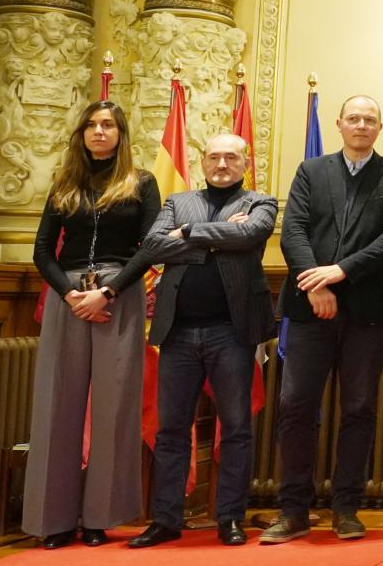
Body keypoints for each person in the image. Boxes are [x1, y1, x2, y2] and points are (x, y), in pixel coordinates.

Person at [261, 95, 383, 544]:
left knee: (360, 409)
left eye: (370, 120)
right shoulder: (311, 171)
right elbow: (293, 231)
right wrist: (318, 285)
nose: (361, 125)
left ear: (380, 128)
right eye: (354, 118)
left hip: (368, 310)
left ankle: (347, 508)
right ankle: (292, 511)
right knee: (295, 408)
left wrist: (341, 271)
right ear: (339, 125)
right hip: (310, 308)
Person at [24, 100, 162, 548]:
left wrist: (107, 291)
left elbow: (151, 246)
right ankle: (54, 519)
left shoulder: (141, 182)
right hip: (68, 295)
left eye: (108, 125)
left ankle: (100, 518)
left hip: (117, 296)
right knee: (56, 407)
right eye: (91, 125)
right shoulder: (63, 183)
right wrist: (69, 295)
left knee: (113, 408)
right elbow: (43, 250)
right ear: (81, 133)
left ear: (121, 133)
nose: (99, 132)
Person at [128, 134, 278, 549]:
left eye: (231, 156)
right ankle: (166, 519)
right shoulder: (177, 201)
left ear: (245, 163)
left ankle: (229, 517)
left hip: (231, 331)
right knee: (171, 430)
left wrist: (189, 234)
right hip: (177, 332)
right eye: (214, 156)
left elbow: (250, 238)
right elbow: (155, 245)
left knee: (236, 428)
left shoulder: (260, 202)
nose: (222, 163)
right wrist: (216, 237)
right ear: (202, 162)